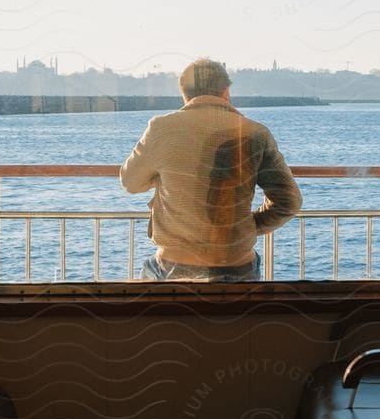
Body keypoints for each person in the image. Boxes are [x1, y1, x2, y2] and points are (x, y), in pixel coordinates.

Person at [120, 57, 303, 281]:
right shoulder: (255, 132)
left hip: (174, 266)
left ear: (184, 94)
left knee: (147, 274)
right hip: (237, 266)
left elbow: (130, 182)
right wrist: (242, 228)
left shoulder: (161, 127)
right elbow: (289, 201)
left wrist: (161, 177)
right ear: (226, 92)